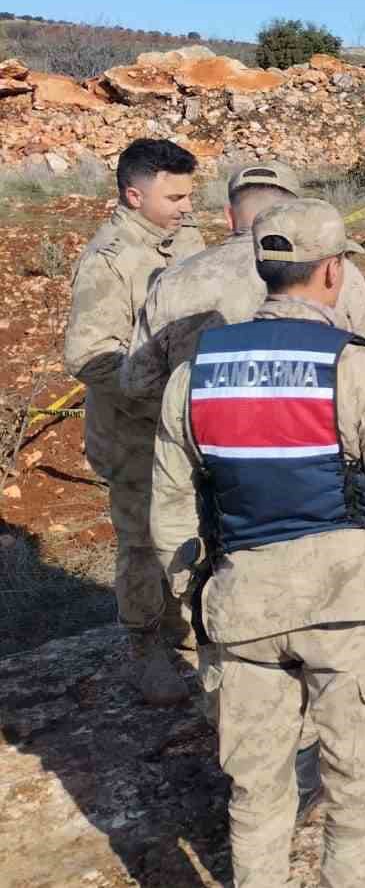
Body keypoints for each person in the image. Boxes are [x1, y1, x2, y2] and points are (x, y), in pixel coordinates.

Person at [150, 199, 365, 888]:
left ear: (263, 270)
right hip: (347, 609)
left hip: (242, 607)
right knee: (354, 788)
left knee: (255, 789)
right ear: (333, 271)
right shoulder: (362, 369)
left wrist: (192, 600)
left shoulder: (194, 376)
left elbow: (169, 511)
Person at [64, 137, 204, 706]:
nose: (187, 207)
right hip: (132, 434)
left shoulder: (185, 239)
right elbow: (89, 356)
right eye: (175, 197)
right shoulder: (110, 260)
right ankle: (145, 646)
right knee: (141, 541)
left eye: (189, 195)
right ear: (133, 195)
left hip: (185, 427)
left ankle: (180, 620)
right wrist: (160, 393)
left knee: (190, 523)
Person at [123, 160, 365, 406]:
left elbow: (138, 383)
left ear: (229, 216)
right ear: (297, 215)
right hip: (317, 430)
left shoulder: (173, 280)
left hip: (208, 435)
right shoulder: (335, 273)